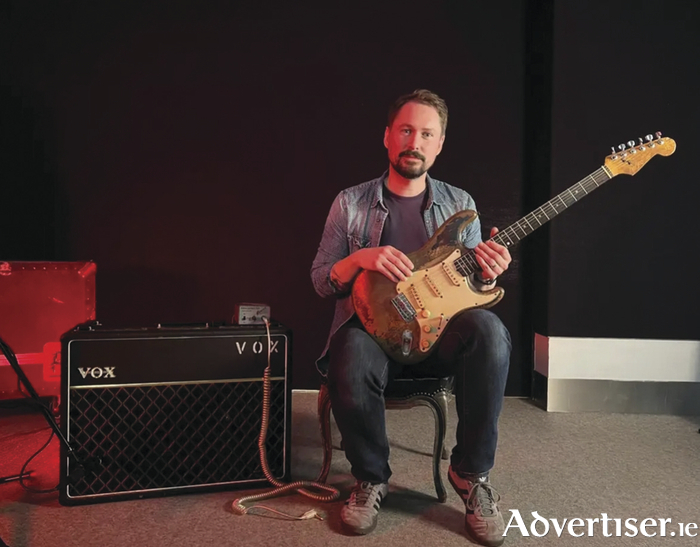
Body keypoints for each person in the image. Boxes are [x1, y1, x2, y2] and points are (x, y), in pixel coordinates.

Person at [310, 89, 512, 547]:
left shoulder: (460, 204)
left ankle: (470, 476)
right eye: (405, 130)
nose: (414, 141)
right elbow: (322, 279)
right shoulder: (351, 203)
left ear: (439, 144)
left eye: (426, 133)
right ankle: (371, 479)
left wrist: (486, 270)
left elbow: (472, 292)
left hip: (438, 337)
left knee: (491, 332)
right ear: (387, 137)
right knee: (350, 349)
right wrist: (362, 257)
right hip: (373, 336)